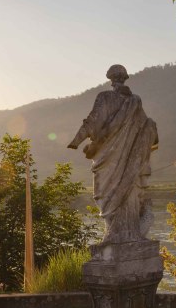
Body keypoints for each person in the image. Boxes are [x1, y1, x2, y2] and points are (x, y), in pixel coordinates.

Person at [67, 64, 158, 243]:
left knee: (105, 193)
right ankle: (125, 233)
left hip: (108, 159)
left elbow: (93, 122)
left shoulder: (106, 97)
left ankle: (117, 234)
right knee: (127, 191)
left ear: (110, 79)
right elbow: (147, 127)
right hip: (129, 161)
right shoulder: (135, 101)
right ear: (125, 78)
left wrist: (76, 141)